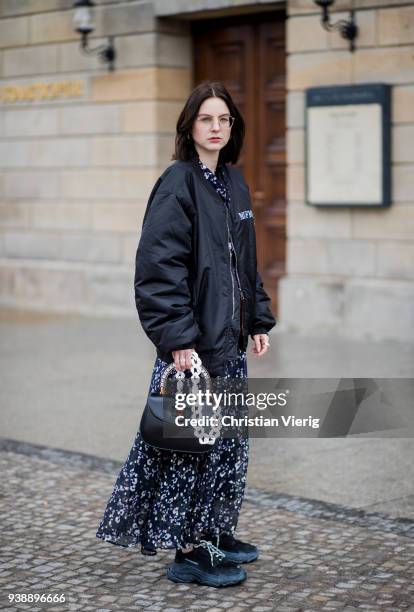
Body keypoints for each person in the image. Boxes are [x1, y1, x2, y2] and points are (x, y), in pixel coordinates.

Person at [96, 81, 276, 588]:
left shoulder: (234, 183)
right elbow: (158, 267)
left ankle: (216, 531)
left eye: (225, 120)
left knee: (227, 447)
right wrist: (177, 337)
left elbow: (245, 264)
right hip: (190, 349)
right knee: (188, 449)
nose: (217, 128)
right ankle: (189, 552)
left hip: (229, 343)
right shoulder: (178, 182)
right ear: (189, 127)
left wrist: (258, 319)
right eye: (207, 120)